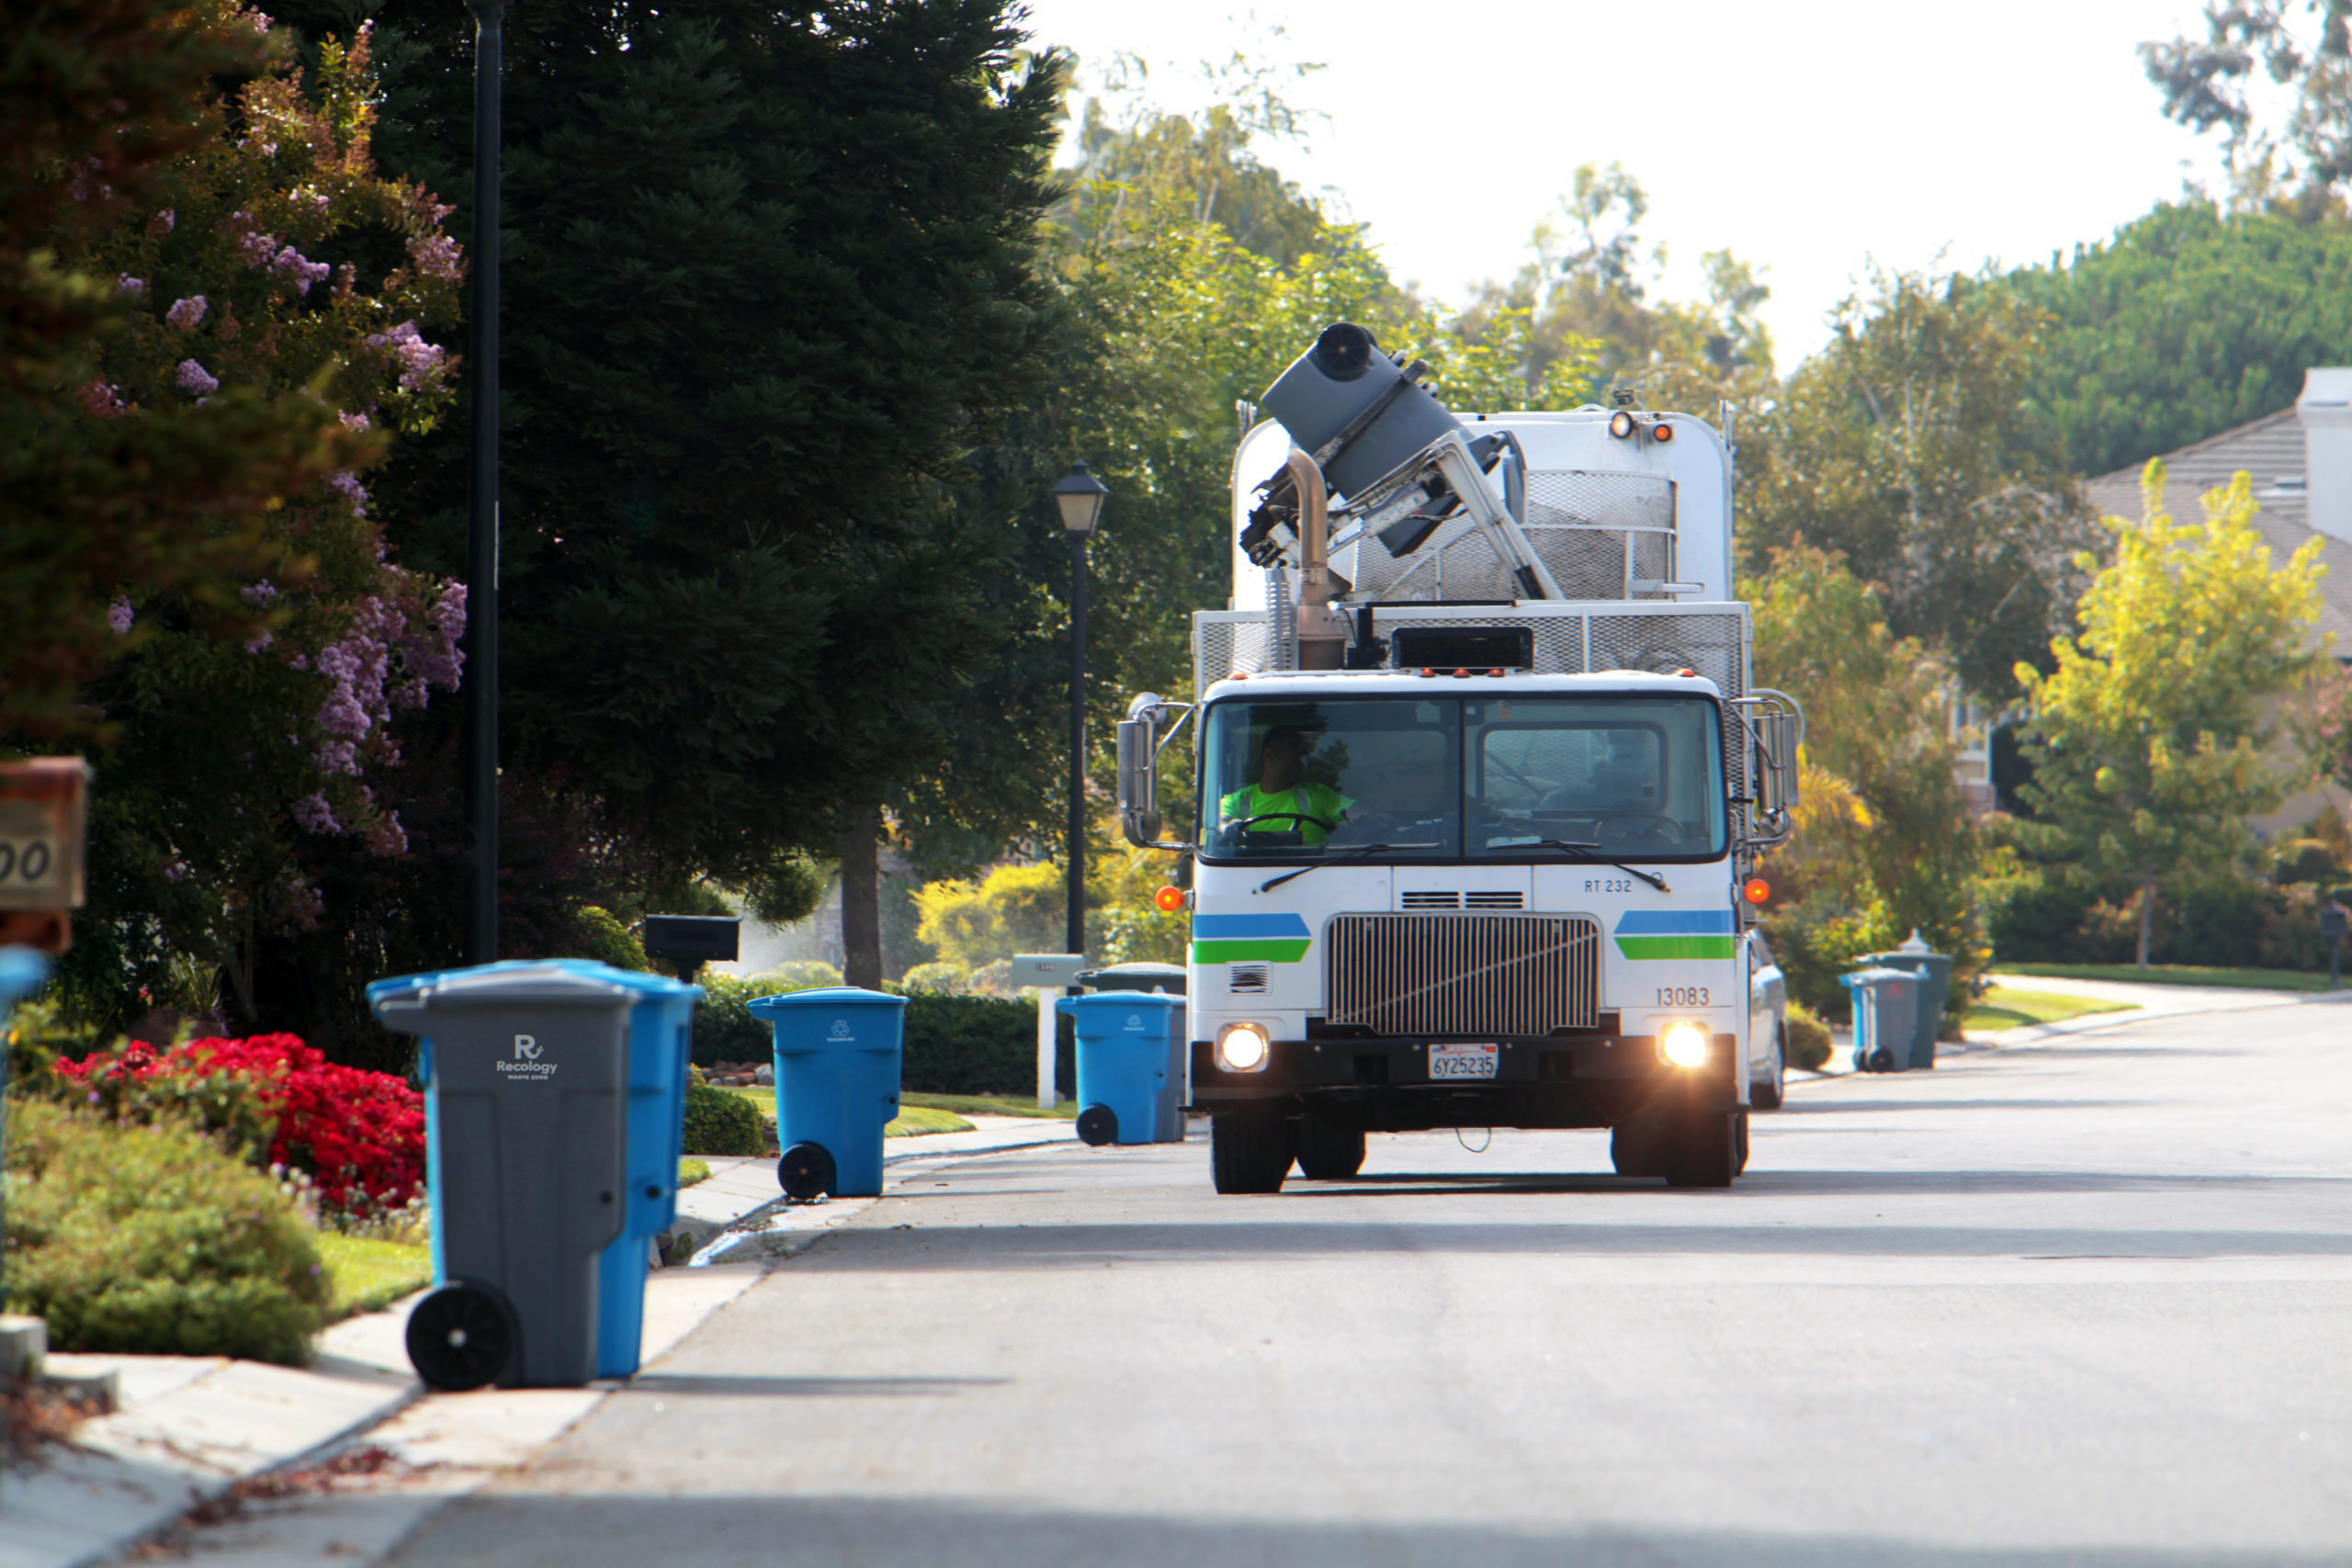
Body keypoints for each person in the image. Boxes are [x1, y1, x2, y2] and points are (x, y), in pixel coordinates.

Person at [1219, 726, 1351, 847]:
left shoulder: (1318, 794)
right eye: (1294, 750)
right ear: (1269, 755)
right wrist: (1229, 827)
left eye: (1302, 754)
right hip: (1248, 871)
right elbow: (1221, 821)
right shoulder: (1236, 800)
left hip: (1319, 870)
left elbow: (1353, 812)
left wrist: (1360, 816)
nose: (1301, 760)